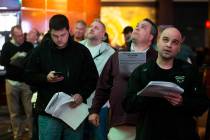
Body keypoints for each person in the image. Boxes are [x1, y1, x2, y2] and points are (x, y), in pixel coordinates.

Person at [122, 27, 209, 140]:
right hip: (150, 133)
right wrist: (146, 96)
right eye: (165, 39)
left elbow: (202, 105)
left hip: (182, 133)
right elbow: (127, 105)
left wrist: (183, 102)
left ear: (179, 48)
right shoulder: (141, 71)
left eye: (175, 42)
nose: (169, 45)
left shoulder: (189, 71)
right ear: (157, 42)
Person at [24, 14, 98, 140]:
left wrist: (82, 94)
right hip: (48, 112)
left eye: (62, 35)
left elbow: (92, 78)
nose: (59, 39)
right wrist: (45, 78)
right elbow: (27, 75)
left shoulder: (81, 50)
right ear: (50, 32)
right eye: (55, 36)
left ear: (68, 31)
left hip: (74, 110)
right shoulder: (41, 51)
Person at [88, 18, 158, 140]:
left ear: (151, 37)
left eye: (143, 27)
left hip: (148, 124)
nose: (136, 28)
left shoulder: (157, 59)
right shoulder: (117, 56)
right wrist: (95, 110)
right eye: (137, 25)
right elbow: (103, 86)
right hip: (120, 122)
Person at [80, 19, 115, 140]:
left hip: (100, 105)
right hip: (78, 104)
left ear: (103, 35)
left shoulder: (111, 53)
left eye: (96, 28)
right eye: (91, 26)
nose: (92, 28)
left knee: (99, 137)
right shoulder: (78, 48)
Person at [0, 25, 34, 140]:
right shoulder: (7, 46)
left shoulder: (28, 45)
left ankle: (32, 134)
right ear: (13, 36)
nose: (21, 38)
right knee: (14, 112)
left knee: (30, 110)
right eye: (18, 36)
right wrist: (12, 59)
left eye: (22, 35)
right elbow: (2, 61)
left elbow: (33, 60)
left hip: (25, 82)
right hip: (11, 82)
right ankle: (17, 135)